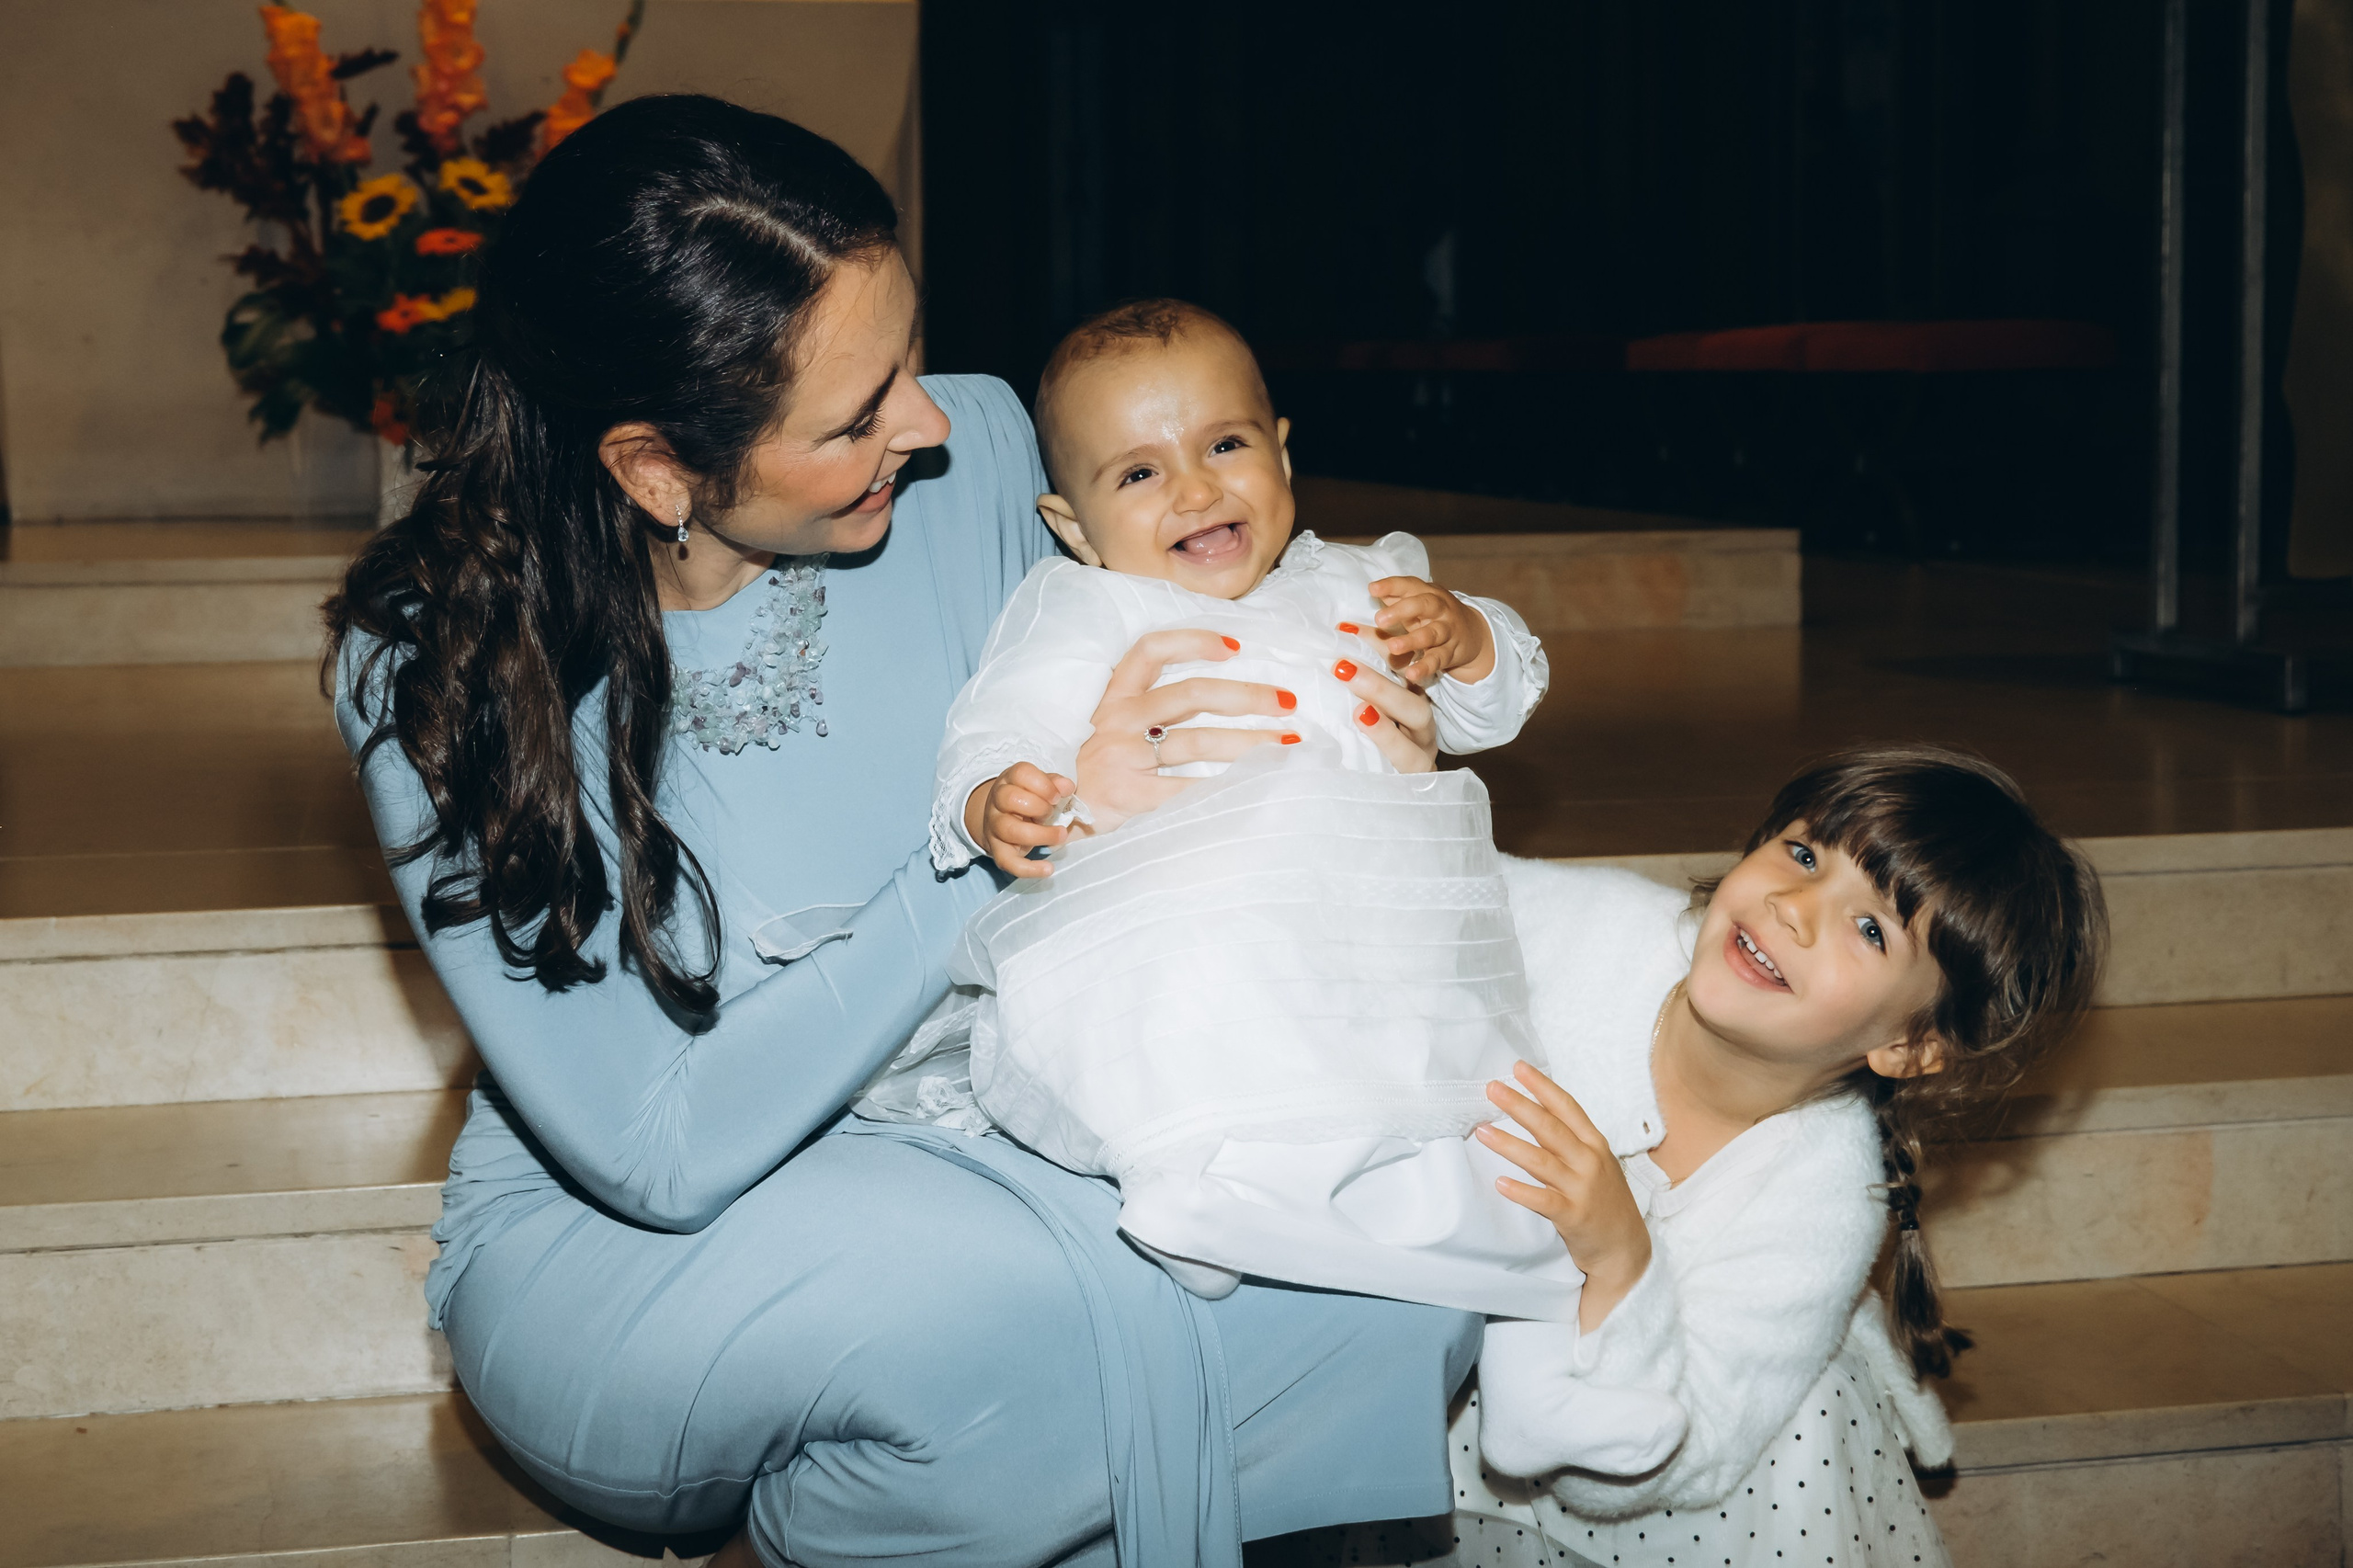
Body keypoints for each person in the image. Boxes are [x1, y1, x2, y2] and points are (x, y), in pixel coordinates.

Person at [326, 95, 1475, 1568]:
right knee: (1024, 1327)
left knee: (1405, 1288)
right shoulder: (441, 661)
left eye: (910, 357)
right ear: (658, 468)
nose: (928, 421)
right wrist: (982, 868)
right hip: (639, 1240)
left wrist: (1370, 746)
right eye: (857, 415)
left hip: (1030, 1104)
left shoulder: (988, 448)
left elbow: (1236, 646)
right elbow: (656, 1150)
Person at [897, 299, 1580, 1328]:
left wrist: (1468, 639)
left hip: (1371, 927)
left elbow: (1497, 704)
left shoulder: (1361, 579)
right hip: (1194, 922)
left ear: (1283, 454)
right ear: (1074, 526)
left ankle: (1455, 1225)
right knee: (1197, 1038)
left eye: (1224, 443)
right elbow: (1000, 721)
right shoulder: (1090, 607)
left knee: (1430, 1073)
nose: (1195, 486)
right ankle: (1207, 1190)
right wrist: (999, 796)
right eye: (1138, 472)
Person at [1438, 745, 2107, 1567]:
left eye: (1870, 929)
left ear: (1909, 1044)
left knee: (1802, 1408)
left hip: (1656, 1509)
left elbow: (1667, 1465)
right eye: (1802, 854)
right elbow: (1411, 890)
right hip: (1422, 1358)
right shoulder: (1592, 929)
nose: (1795, 907)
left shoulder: (1816, 1197)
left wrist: (1619, 1264)